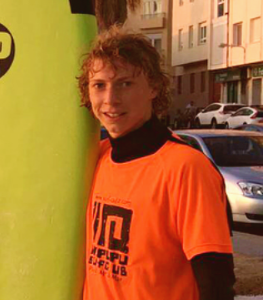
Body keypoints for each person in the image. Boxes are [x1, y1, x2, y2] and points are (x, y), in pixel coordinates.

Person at [77, 28, 234, 300]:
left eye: (125, 83)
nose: (110, 99)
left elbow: (216, 281)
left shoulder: (185, 167)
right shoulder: (97, 157)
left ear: (154, 87)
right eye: (99, 85)